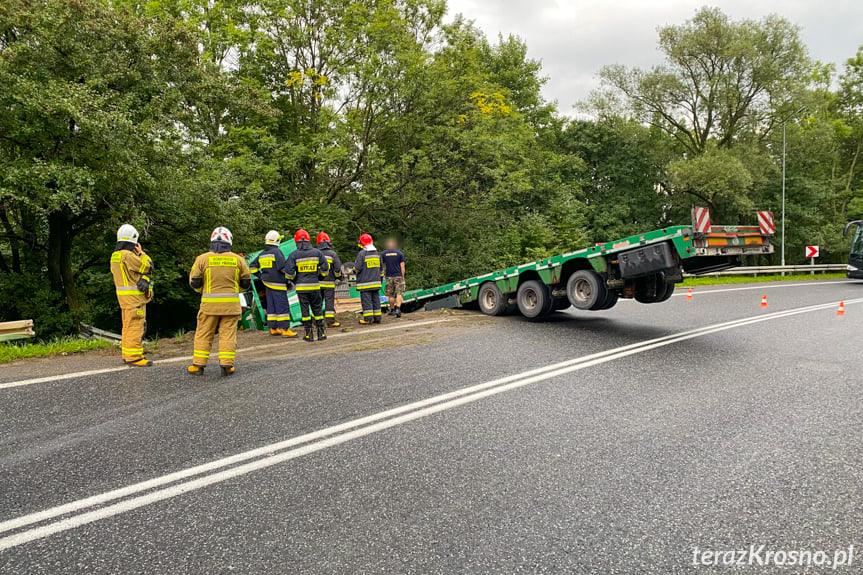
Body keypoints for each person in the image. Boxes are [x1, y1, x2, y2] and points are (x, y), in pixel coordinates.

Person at [187, 227, 251, 376]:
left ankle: (198, 365)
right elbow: (246, 283)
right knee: (228, 335)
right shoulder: (238, 259)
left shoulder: (202, 259)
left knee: (203, 333)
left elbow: (194, 282)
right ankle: (227, 366)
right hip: (231, 306)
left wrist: (204, 290)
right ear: (229, 240)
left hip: (209, 306)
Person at [110, 224, 154, 367]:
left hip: (124, 299)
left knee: (127, 326)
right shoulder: (128, 255)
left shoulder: (115, 256)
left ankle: (127, 354)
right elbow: (147, 266)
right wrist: (141, 253)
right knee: (136, 327)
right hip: (134, 299)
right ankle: (134, 357)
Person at [248, 231, 297, 338]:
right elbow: (282, 268)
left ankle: (273, 328)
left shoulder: (262, 254)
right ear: (277, 240)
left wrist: (260, 276)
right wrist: (291, 277)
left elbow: (252, 267)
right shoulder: (277, 252)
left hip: (267, 284)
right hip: (278, 284)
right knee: (282, 306)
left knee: (272, 306)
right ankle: (285, 329)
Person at [284, 229, 329, 342]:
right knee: (317, 311)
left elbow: (288, 274)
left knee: (305, 312)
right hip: (315, 287)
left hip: (301, 288)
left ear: (297, 242)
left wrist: (294, 280)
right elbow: (325, 270)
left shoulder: (294, 255)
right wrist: (319, 277)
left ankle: (309, 335)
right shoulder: (317, 253)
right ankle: (321, 334)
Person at [354, 233, 384, 325]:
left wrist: (353, 270)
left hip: (365, 283)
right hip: (376, 282)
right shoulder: (377, 254)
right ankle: (377, 318)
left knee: (366, 301)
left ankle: (367, 319)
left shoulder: (362, 254)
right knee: (376, 300)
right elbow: (381, 270)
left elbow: (357, 268)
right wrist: (380, 281)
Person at [316, 232, 343, 328]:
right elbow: (337, 268)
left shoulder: (315, 253)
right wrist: (339, 276)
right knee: (329, 302)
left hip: (317, 284)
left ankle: (317, 321)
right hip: (329, 283)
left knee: (317, 303)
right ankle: (330, 321)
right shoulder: (332, 254)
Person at [382, 237, 406, 318]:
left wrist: (384, 273)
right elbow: (402, 266)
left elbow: (382, 266)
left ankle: (392, 310)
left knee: (390, 295)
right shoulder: (399, 254)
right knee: (399, 293)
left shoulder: (384, 254)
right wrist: (402, 276)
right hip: (398, 276)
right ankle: (398, 309)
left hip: (389, 276)